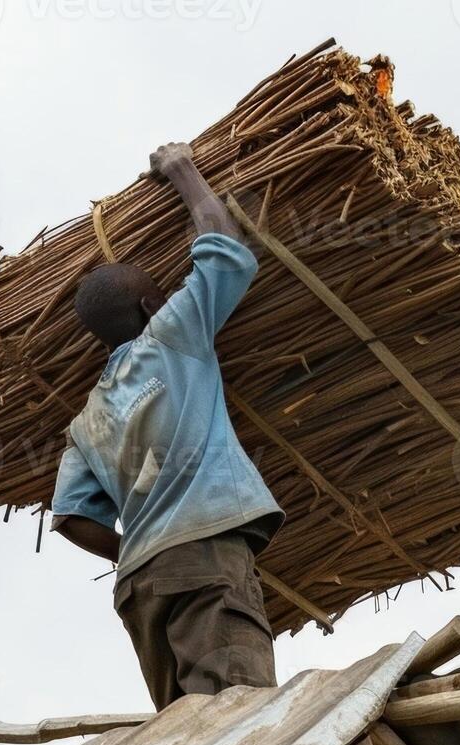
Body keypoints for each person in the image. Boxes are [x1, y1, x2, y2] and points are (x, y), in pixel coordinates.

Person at [49, 140, 284, 710]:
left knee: (185, 728)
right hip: (203, 557)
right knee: (238, 717)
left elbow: (71, 518)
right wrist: (182, 171)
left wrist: (143, 547)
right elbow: (223, 248)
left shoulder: (87, 420)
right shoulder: (170, 340)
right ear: (155, 307)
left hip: (139, 589)